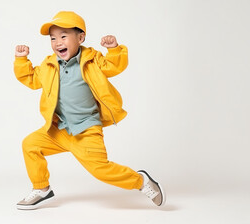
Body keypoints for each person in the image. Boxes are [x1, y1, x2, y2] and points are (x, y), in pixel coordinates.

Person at [13, 11, 165, 210]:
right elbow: (32, 79)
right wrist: (21, 60)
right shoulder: (50, 65)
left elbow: (114, 66)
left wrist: (114, 50)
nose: (58, 42)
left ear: (81, 38)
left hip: (86, 130)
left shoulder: (93, 60)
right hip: (59, 129)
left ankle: (140, 181)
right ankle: (42, 189)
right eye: (53, 38)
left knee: (101, 170)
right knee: (30, 144)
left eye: (64, 36)